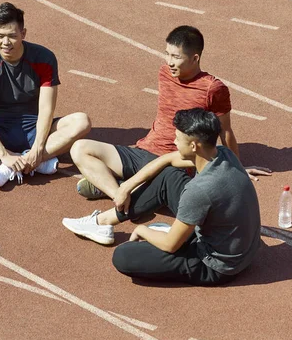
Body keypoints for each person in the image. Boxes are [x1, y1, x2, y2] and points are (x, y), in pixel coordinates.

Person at [62, 26, 270, 243]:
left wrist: (235, 167)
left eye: (176, 56)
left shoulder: (213, 89)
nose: (169, 61)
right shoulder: (164, 73)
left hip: (174, 163)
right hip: (142, 152)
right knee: (80, 148)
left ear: (195, 58)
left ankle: (119, 204)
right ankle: (122, 199)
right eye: (167, 54)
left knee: (157, 179)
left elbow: (225, 130)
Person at [102, 109, 260, 285]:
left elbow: (171, 245)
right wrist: (127, 186)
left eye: (178, 138)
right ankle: (104, 220)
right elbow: (168, 160)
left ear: (193, 146)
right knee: (169, 175)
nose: (174, 141)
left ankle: (170, 233)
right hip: (241, 248)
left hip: (217, 266)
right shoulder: (224, 154)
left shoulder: (198, 190)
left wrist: (142, 231)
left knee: (123, 255)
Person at [0, 2, 91, 187]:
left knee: (82, 121)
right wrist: (4, 154)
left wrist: (38, 148)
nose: (5, 43)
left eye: (12, 36)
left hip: (37, 130)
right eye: (0, 36)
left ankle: (26, 161)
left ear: (23, 33)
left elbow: (47, 108)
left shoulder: (44, 58)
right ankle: (15, 161)